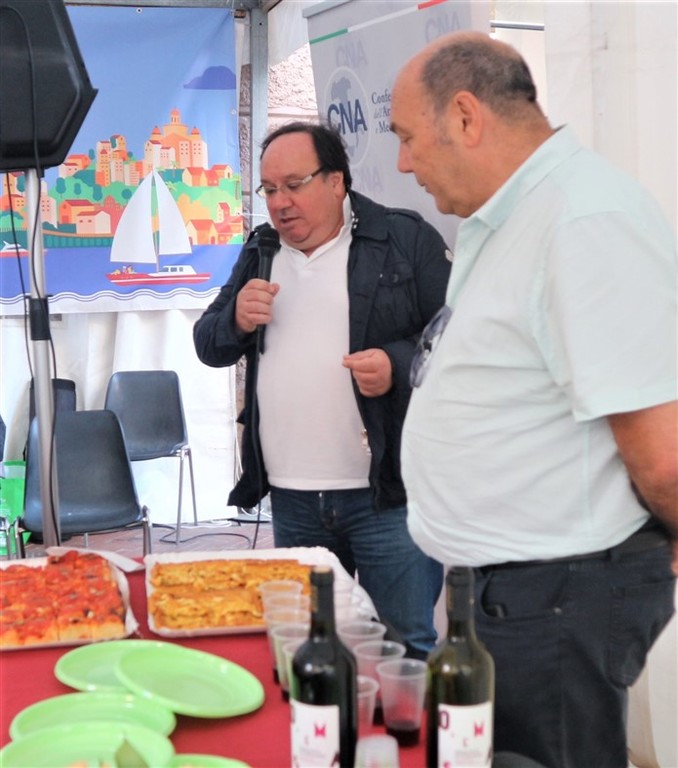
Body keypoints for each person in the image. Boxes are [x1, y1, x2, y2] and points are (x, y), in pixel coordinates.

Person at [390, 31, 677, 768]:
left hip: (557, 598)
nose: (402, 163)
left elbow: (663, 452)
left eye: (407, 137)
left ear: (465, 116)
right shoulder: (513, 214)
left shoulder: (585, 217)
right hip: (516, 592)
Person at [193, 121, 451, 658]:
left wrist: (396, 363)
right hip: (292, 497)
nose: (279, 203)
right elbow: (208, 344)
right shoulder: (261, 249)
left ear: (336, 181)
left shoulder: (403, 239)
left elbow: (460, 336)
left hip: (387, 495)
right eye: (269, 189)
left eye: (294, 185)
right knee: (311, 649)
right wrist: (235, 319)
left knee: (403, 647)